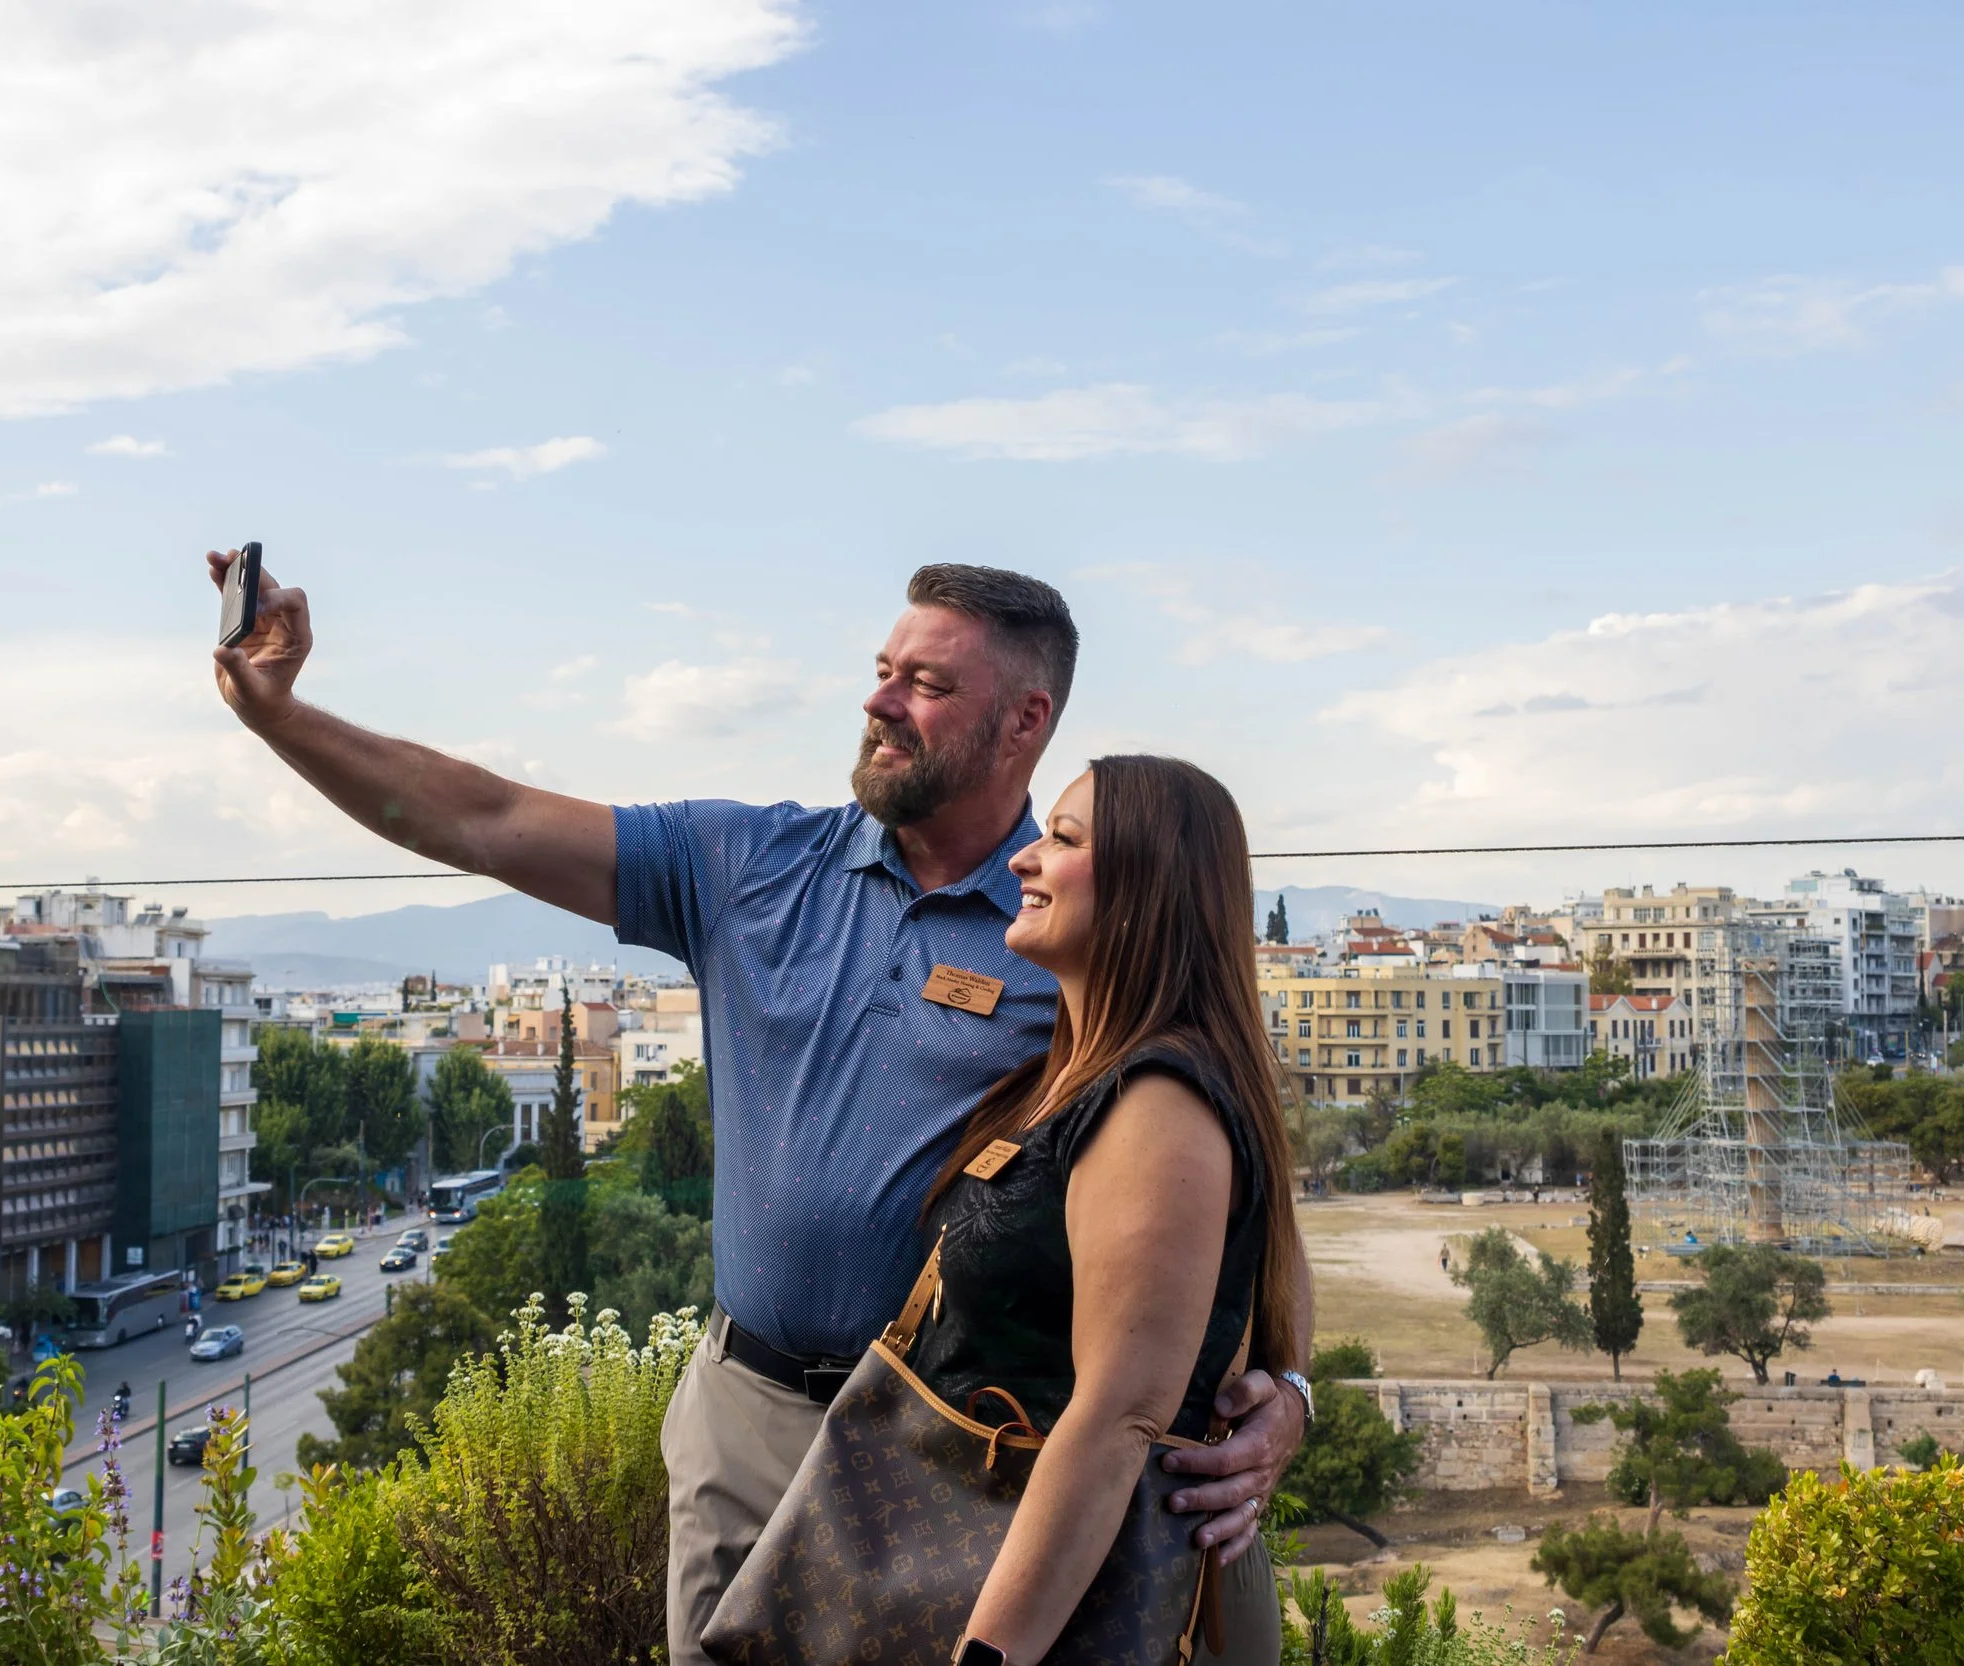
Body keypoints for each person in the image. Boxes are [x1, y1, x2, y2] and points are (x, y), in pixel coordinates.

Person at [207, 554, 1310, 1666]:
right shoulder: (747, 863)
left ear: (1025, 719)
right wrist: (283, 717)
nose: (879, 701)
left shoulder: (1075, 934)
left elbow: (1237, 1192)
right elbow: (482, 817)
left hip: (966, 1453)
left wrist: (1290, 1389)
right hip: (752, 1415)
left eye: (926, 685)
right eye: (883, 671)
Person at [891, 756, 1301, 1661]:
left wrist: (989, 1656)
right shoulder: (1074, 1076)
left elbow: (1116, 1420)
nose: (1020, 863)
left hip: (1097, 1608)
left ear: (1147, 887)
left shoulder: (1159, 1103)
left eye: (1062, 841)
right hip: (1031, 1577)